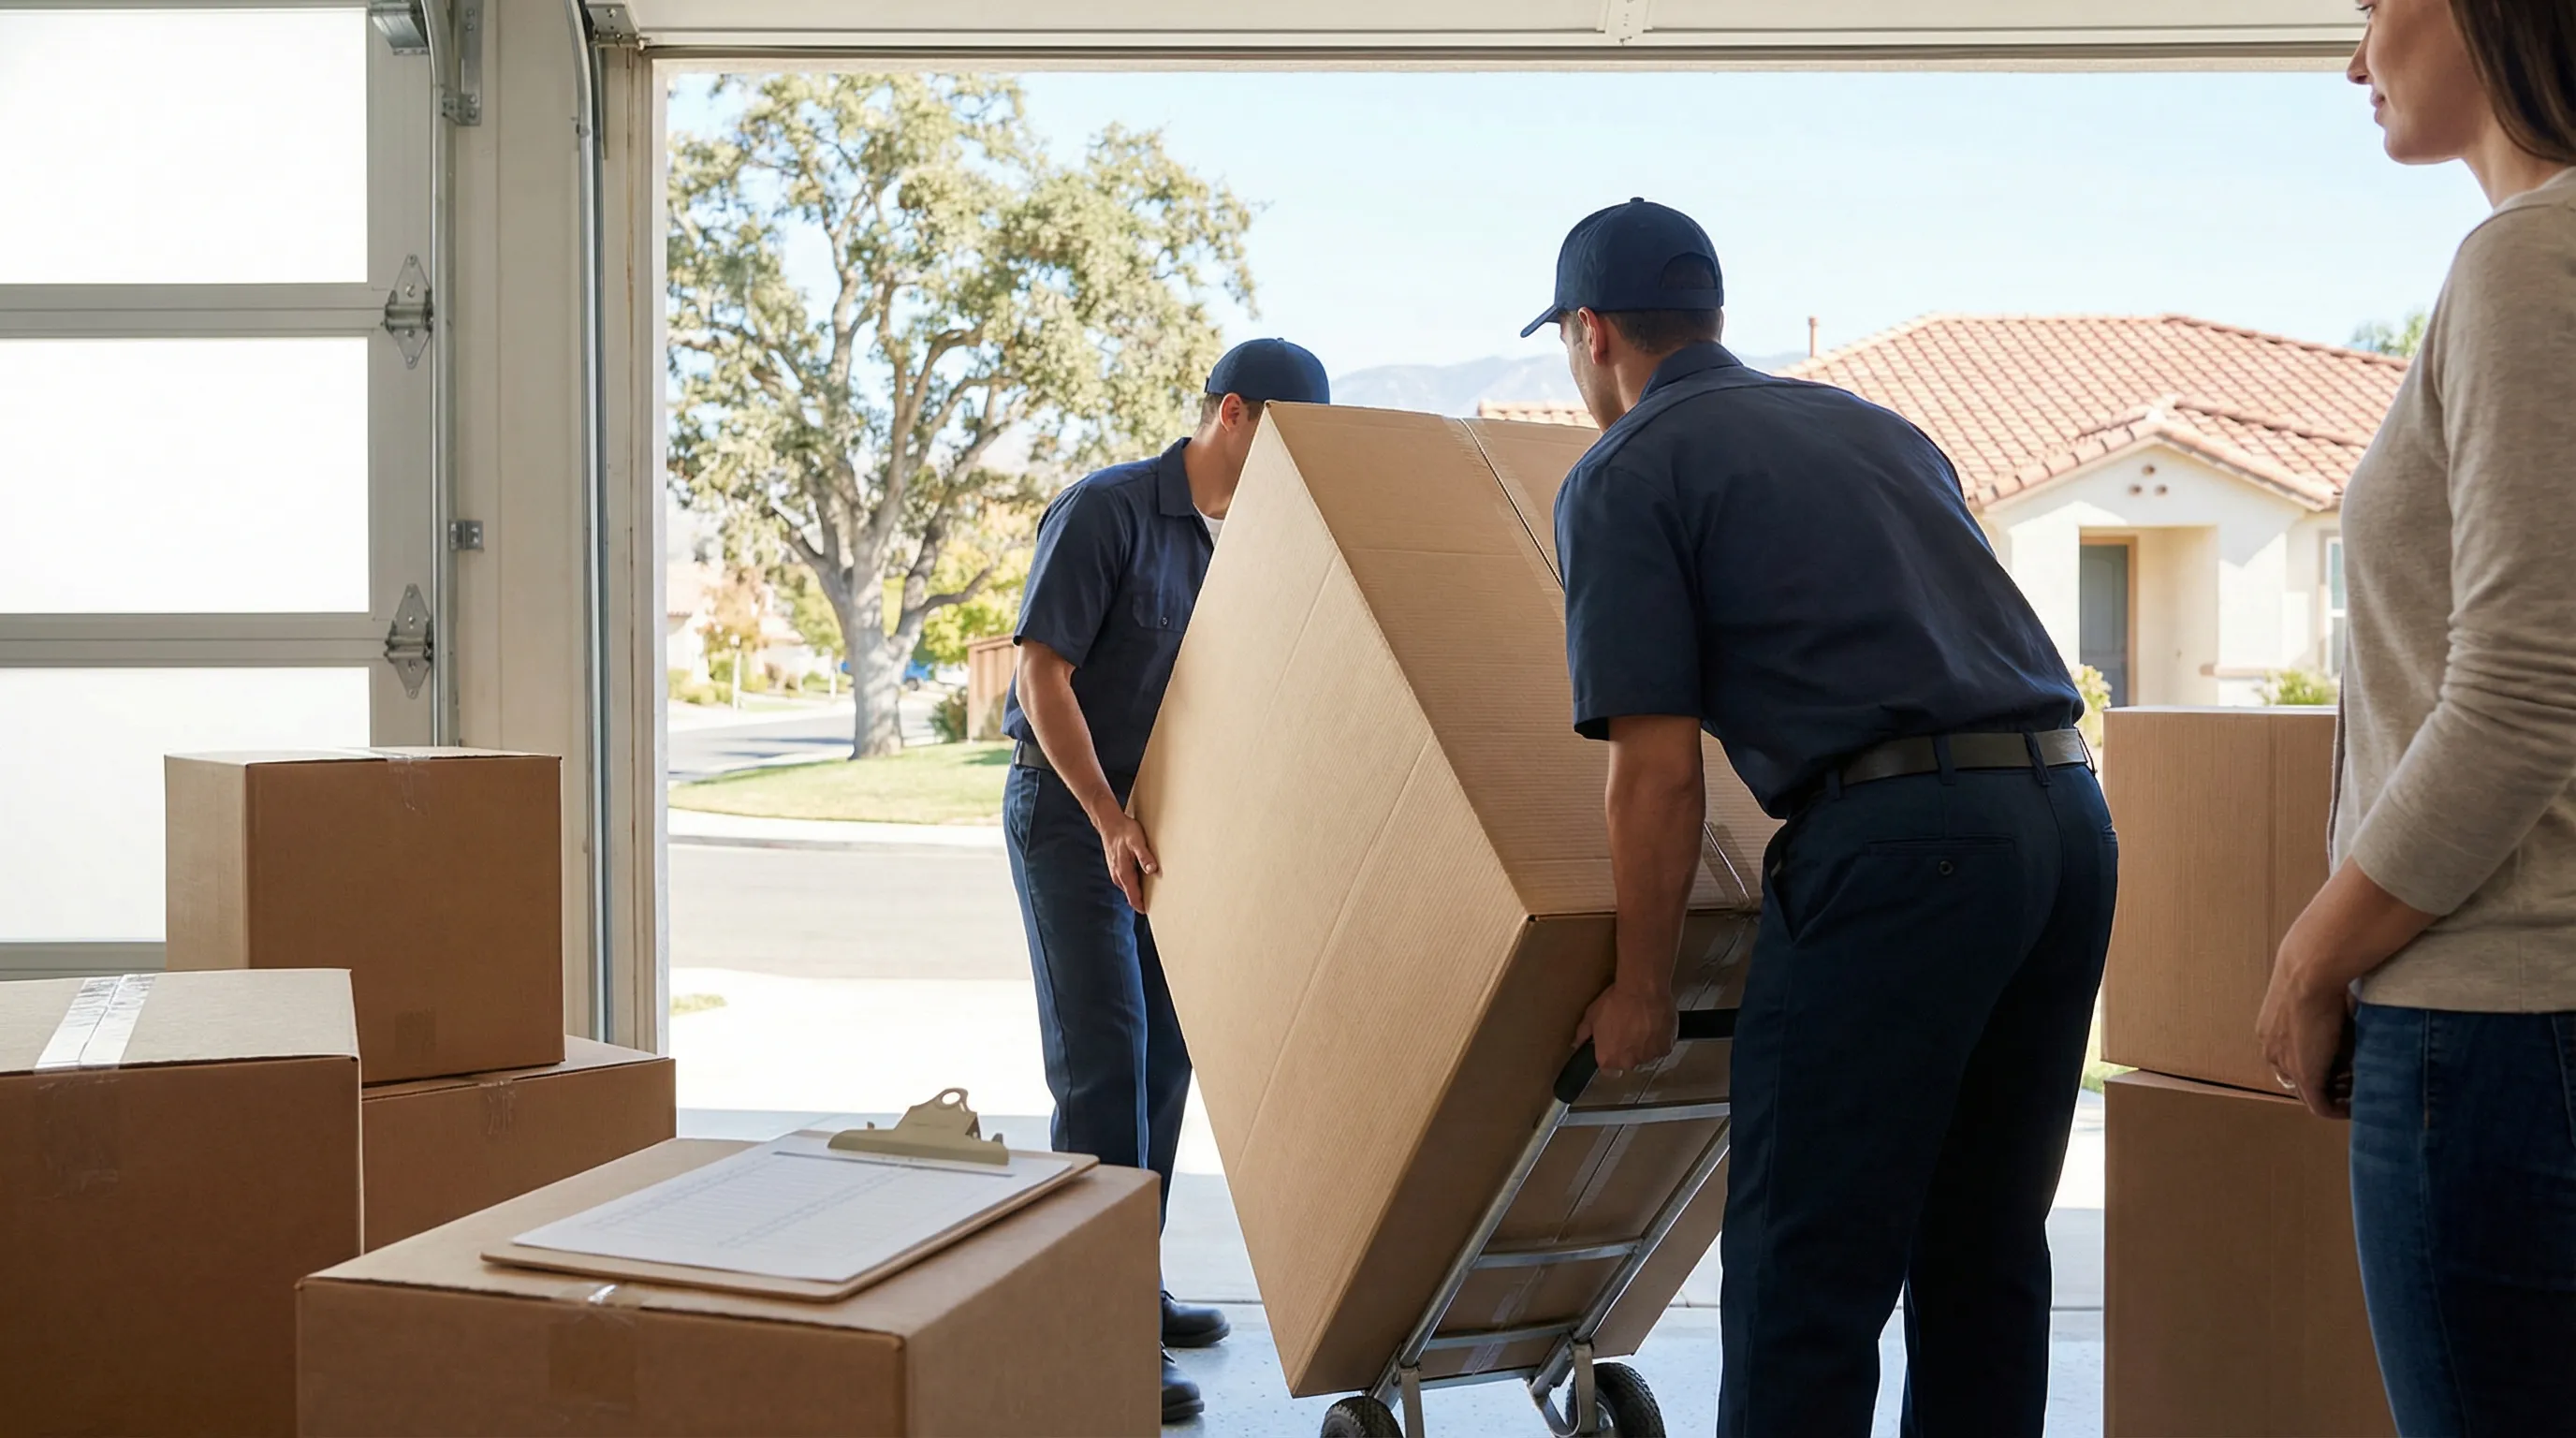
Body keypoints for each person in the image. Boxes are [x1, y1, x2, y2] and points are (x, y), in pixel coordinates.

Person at [1530, 198, 2117, 1437]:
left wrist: (1643, 986)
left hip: (1908, 851)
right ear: (1713, 319)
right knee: (1985, 1246)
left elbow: (1657, 768)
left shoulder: (1628, 470)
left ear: (1591, 335)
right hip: (2064, 822)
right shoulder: (1881, 430)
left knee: (1810, 1263)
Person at [2253, 2, 2576, 1431]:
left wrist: (2317, 954)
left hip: (2496, 1015)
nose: (2353, 58)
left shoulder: (2531, 260)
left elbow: (2521, 693)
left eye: (2373, 7)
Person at [1000, 338, 1331, 1426]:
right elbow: (1040, 674)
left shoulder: (1233, 543)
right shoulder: (1106, 512)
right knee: (1102, 1059)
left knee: (1168, 1057)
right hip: (1070, 816)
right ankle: (1088, 1324)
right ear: (1231, 414)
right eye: (1286, 442)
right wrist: (1106, 818)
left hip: (1158, 826)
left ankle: (1127, 1282)